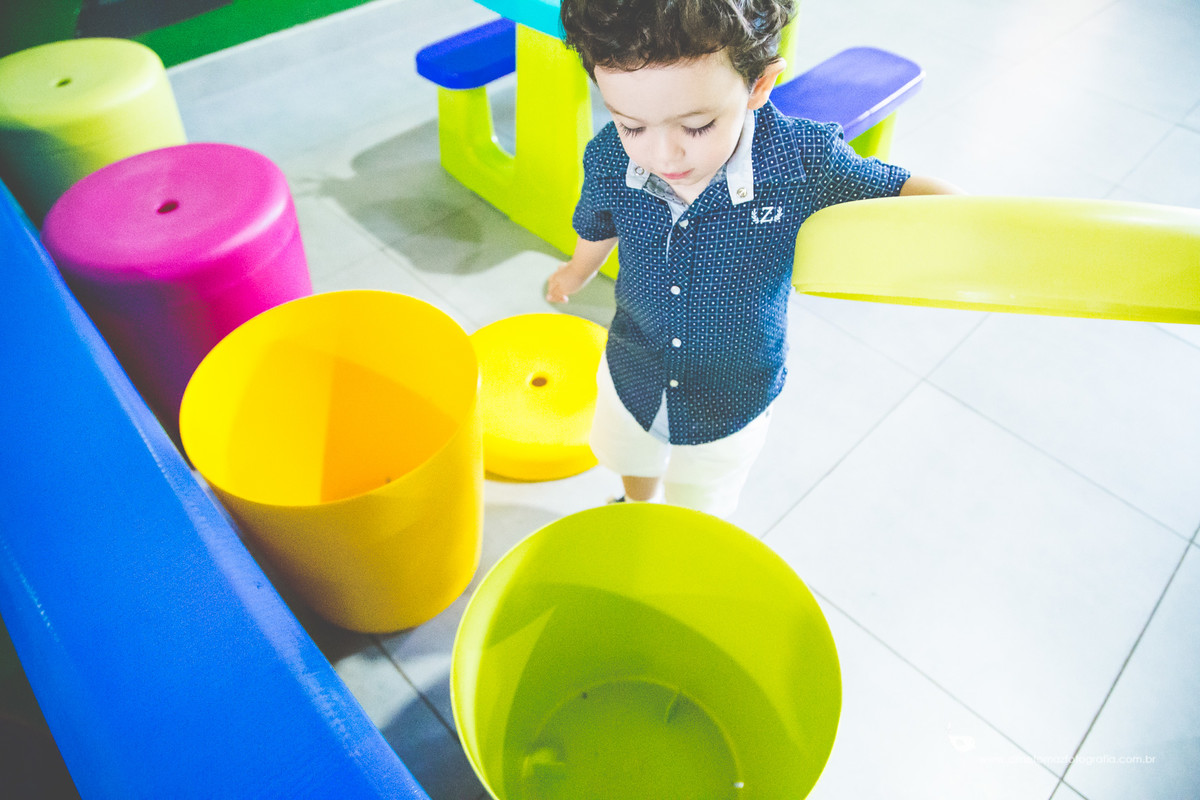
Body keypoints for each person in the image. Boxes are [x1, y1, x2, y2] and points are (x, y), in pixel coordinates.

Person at [547, 0, 960, 518]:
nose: (663, 155)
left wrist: (977, 227)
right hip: (635, 365)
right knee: (631, 454)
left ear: (759, 84)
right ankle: (635, 503)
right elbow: (597, 223)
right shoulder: (609, 156)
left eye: (697, 126)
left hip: (733, 394)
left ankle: (682, 529)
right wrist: (576, 271)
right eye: (633, 126)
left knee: (700, 497)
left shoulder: (803, 161)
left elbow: (900, 190)